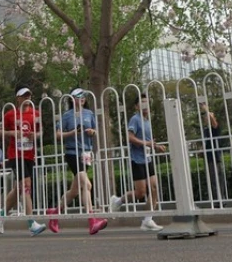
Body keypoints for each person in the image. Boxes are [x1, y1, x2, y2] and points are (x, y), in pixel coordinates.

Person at [57, 89, 108, 235]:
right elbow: (58, 134)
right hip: (72, 152)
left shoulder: (89, 113)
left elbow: (95, 130)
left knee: (75, 190)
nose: (81, 98)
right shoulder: (67, 116)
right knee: (87, 184)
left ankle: (55, 212)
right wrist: (73, 133)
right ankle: (92, 220)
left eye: (83, 96)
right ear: (72, 98)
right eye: (78, 96)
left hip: (86, 153)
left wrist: (92, 132)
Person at [111, 97, 163, 232]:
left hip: (148, 159)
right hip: (137, 160)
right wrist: (147, 144)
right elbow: (130, 137)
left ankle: (147, 220)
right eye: (142, 103)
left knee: (154, 188)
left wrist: (156, 146)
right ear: (136, 106)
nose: (146, 105)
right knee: (140, 193)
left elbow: (147, 141)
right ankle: (118, 201)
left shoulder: (147, 121)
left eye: (147, 102)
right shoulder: (135, 119)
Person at [3, 87, 45, 236]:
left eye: (29, 95)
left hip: (29, 154)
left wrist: (35, 135)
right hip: (15, 154)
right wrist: (13, 133)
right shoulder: (10, 114)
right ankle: (31, 222)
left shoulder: (36, 113)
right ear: (18, 98)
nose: (27, 98)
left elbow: (41, 131)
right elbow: (1, 131)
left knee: (18, 188)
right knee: (26, 185)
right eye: (24, 96)